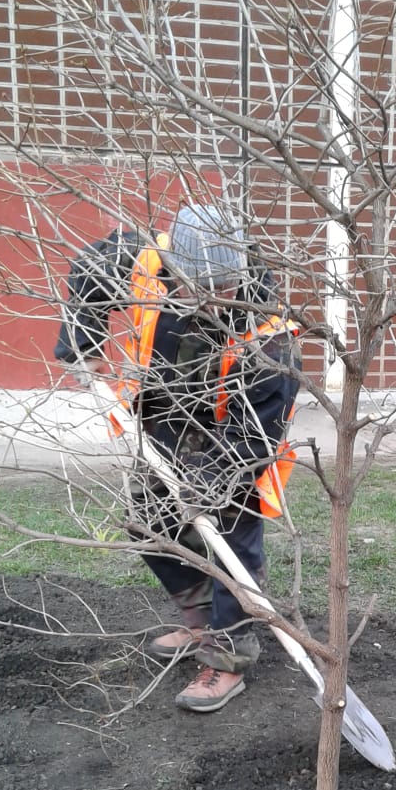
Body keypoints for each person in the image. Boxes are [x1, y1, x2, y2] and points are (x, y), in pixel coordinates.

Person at [55, 201, 301, 712]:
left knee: (232, 543)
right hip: (161, 418)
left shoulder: (268, 336)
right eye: (197, 289)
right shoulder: (143, 261)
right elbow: (88, 271)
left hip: (232, 438)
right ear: (176, 267)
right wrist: (83, 342)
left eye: (223, 290)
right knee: (148, 520)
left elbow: (255, 436)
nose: (211, 300)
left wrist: (206, 482)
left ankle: (229, 655)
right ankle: (199, 618)